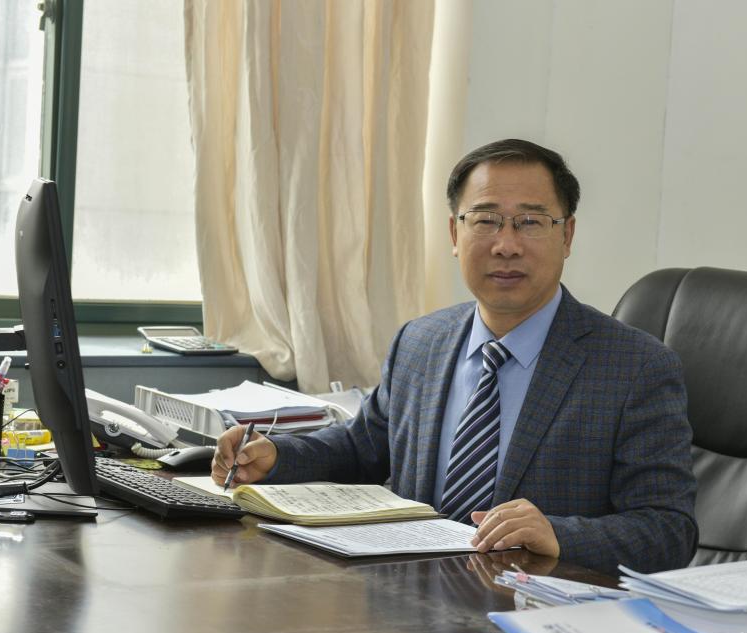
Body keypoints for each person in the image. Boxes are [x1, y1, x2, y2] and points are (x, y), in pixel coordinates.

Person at [212, 139, 697, 575]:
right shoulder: (421, 341)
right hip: (408, 595)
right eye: (485, 220)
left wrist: (558, 533)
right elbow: (362, 449)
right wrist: (277, 456)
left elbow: (669, 531)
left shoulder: (635, 367)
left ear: (567, 236)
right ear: (454, 233)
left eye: (530, 222)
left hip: (530, 613)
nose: (506, 245)